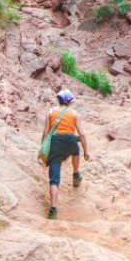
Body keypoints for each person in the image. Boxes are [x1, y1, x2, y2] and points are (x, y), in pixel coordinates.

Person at [39, 89, 89, 219]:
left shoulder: (50, 112)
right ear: (70, 101)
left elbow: (45, 133)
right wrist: (86, 151)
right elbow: (82, 134)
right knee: (75, 150)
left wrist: (43, 149)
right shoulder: (74, 113)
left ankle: (53, 209)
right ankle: (76, 173)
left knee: (54, 179)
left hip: (55, 142)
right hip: (70, 140)